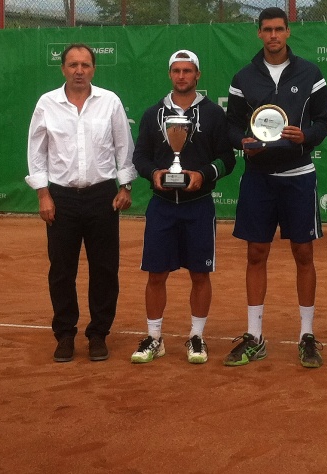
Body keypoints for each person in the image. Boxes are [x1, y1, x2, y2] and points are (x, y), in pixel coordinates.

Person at [224, 6, 327, 368]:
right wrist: (241, 142)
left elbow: (325, 121)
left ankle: (306, 335)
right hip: (258, 179)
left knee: (304, 255)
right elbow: (231, 126)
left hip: (299, 176)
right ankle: (255, 336)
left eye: (278, 29)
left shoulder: (310, 73)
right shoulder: (243, 77)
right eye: (267, 30)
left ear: (288, 32)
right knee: (256, 254)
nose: (273, 35)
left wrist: (307, 136)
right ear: (259, 33)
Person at [25, 43, 137, 363]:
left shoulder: (110, 102)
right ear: (63, 69)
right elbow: (37, 153)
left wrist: (125, 185)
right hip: (60, 199)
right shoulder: (47, 104)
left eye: (85, 65)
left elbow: (122, 147)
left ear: (93, 69)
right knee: (62, 271)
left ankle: (98, 333)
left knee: (104, 270)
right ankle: (64, 335)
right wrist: (43, 194)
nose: (79, 70)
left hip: (103, 197)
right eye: (73, 64)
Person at [129, 50, 235, 364]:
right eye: (176, 70)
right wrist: (155, 173)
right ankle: (154, 337)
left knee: (200, 274)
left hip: (199, 206)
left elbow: (227, 159)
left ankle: (196, 337)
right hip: (162, 205)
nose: (182, 76)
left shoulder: (214, 114)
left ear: (197, 75)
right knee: (156, 274)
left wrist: (204, 174)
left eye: (188, 71)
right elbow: (140, 158)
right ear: (170, 74)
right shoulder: (152, 115)